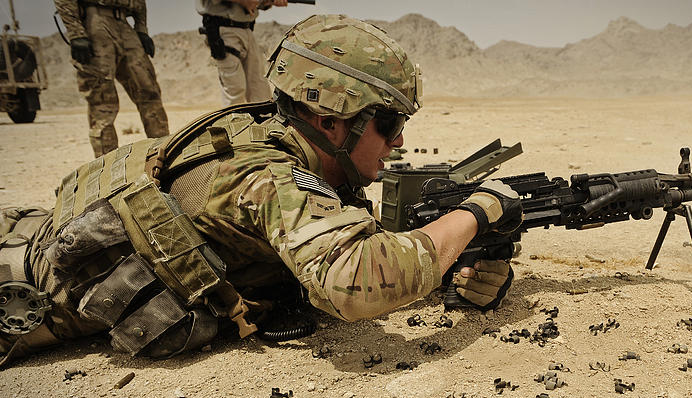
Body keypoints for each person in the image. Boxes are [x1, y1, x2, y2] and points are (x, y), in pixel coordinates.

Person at [0, 14, 521, 368]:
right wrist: (479, 210)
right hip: (27, 295)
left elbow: (334, 237)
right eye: (387, 122)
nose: (400, 140)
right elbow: (354, 279)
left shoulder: (274, 138)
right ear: (329, 120)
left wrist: (453, 265)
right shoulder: (267, 175)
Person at [54, 0, 170, 158]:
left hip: (125, 24)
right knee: (103, 101)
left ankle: (163, 158)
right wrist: (76, 33)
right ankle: (108, 168)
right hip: (95, 22)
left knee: (149, 92)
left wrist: (141, 29)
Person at [196, 0, 289, 106]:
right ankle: (233, 121)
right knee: (235, 89)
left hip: (246, 29)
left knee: (260, 90)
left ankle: (262, 121)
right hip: (223, 29)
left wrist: (266, 2)